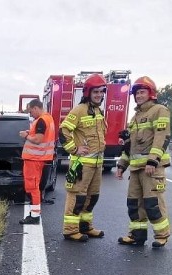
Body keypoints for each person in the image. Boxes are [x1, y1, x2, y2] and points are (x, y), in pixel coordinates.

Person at [115, 76, 172, 248]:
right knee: (134, 203)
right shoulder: (136, 117)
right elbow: (131, 146)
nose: (139, 96)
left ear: (151, 93)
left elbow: (162, 137)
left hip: (151, 169)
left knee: (152, 203)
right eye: (137, 93)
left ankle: (162, 234)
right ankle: (137, 235)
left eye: (142, 92)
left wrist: (152, 161)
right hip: (136, 168)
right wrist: (121, 165)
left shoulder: (160, 110)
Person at [58, 73, 108, 241]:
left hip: (97, 164)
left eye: (102, 92)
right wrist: (74, 149)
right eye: (96, 92)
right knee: (77, 196)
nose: (99, 95)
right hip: (82, 164)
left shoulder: (98, 111)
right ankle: (71, 230)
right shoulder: (79, 110)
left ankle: (85, 227)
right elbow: (63, 131)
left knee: (92, 197)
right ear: (88, 93)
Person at [18, 98, 56, 226]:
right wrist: (30, 132)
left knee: (32, 187)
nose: (30, 114)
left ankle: (34, 216)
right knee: (34, 187)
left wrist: (26, 136)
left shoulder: (41, 120)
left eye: (31, 111)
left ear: (35, 108)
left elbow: (38, 139)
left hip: (34, 159)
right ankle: (34, 213)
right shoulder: (48, 118)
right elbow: (41, 134)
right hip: (40, 158)